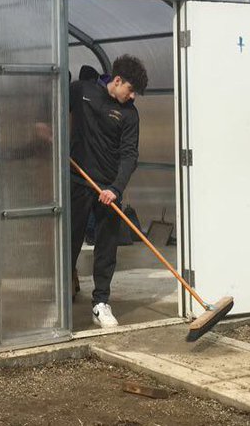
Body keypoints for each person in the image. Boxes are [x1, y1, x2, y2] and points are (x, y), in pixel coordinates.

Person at [69, 54, 147, 328]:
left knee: (106, 248)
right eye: (131, 89)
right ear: (117, 80)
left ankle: (101, 303)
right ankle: (59, 296)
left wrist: (115, 188)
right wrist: (47, 129)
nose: (133, 96)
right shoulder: (81, 91)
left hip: (108, 190)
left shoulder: (129, 114)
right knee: (70, 241)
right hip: (77, 181)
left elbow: (129, 155)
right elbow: (53, 108)